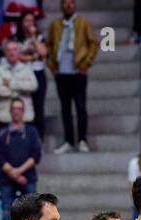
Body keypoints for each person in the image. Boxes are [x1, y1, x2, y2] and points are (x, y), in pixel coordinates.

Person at [47, 0, 97, 153]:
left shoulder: (83, 22)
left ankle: (82, 140)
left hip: (78, 71)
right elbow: (49, 46)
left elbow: (93, 43)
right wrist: (51, 65)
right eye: (65, 3)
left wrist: (86, 63)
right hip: (61, 72)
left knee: (81, 107)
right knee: (65, 109)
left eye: (71, 3)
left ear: (75, 5)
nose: (68, 6)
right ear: (61, 6)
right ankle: (69, 140)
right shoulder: (55, 25)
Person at [0, 98, 42, 220]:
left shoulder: (32, 131)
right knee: (7, 211)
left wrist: (19, 171)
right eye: (14, 108)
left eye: (19, 108)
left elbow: (36, 155)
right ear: (10, 111)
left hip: (28, 176)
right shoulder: (2, 133)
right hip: (6, 178)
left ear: (23, 111)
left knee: (31, 212)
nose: (16, 111)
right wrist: (12, 173)